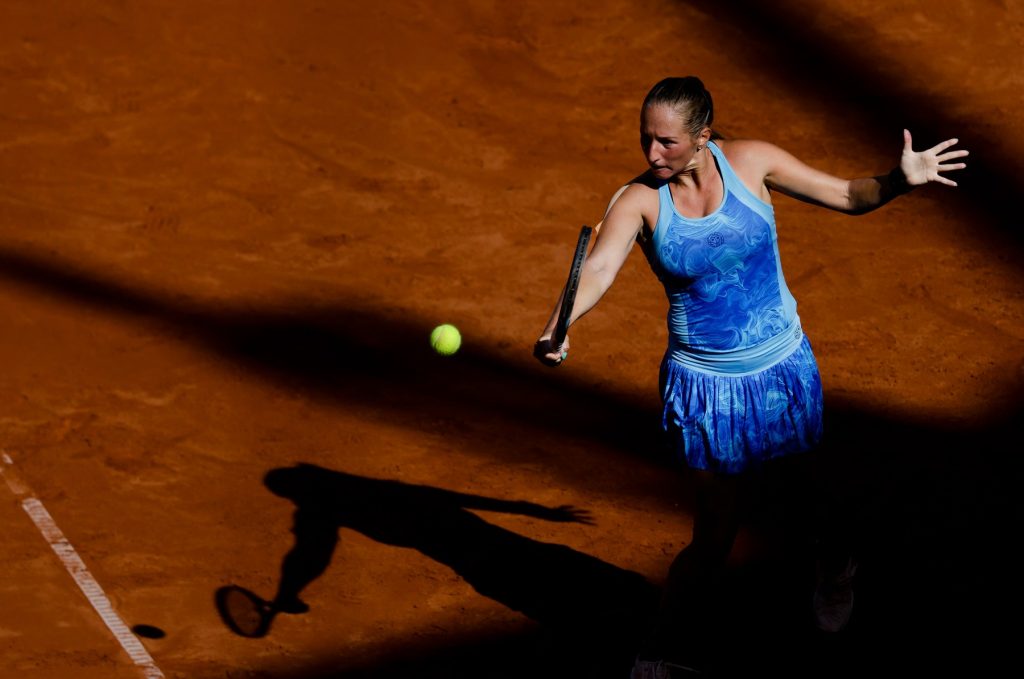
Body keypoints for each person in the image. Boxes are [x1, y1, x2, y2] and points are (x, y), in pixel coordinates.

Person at [533, 76, 967, 677]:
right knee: (714, 533)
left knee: (802, 492)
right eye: (645, 140)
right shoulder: (637, 200)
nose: (652, 154)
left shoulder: (753, 162)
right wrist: (559, 322)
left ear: (703, 136)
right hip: (705, 389)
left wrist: (897, 182)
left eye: (666, 142)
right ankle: (657, 652)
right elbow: (600, 267)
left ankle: (836, 562)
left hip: (780, 370)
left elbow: (845, 195)